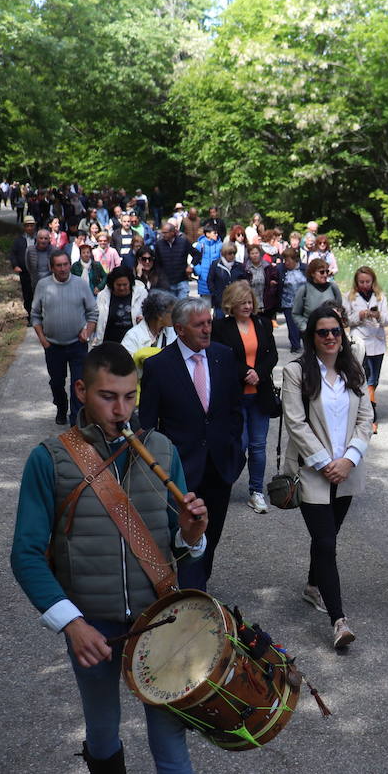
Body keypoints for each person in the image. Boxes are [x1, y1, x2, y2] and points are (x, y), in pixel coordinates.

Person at [7, 343, 223, 774]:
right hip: (94, 626)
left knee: (169, 745)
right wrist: (70, 623)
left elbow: (178, 549)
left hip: (158, 623)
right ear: (82, 391)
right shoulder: (48, 460)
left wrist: (191, 533)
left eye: (129, 398)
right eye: (108, 397)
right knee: (102, 730)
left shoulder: (162, 450)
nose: (120, 409)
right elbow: (26, 555)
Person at [280, 307, 374, 649]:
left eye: (336, 331)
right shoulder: (296, 372)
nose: (331, 337)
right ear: (312, 337)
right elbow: (295, 422)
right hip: (312, 471)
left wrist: (348, 460)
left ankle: (311, 584)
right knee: (326, 543)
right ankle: (339, 620)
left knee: (328, 535)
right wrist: (325, 463)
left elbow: (366, 418)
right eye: (323, 332)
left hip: (347, 470)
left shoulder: (354, 370)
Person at [138, 298, 245, 590]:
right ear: (180, 329)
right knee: (185, 535)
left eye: (209, 322)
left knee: (211, 536)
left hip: (221, 466)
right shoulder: (159, 366)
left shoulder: (223, 356)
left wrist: (237, 452)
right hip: (180, 471)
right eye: (200, 325)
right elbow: (147, 425)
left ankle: (197, 588)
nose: (208, 329)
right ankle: (189, 594)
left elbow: (235, 411)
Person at [213, 281, 279, 515]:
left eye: (250, 301)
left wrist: (258, 373)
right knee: (237, 445)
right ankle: (224, 484)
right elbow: (221, 356)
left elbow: (272, 355)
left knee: (258, 446)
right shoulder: (221, 327)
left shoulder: (261, 324)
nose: (248, 306)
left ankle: (256, 492)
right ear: (232, 304)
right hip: (235, 396)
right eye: (243, 302)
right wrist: (244, 373)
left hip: (259, 395)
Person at [32, 251, 97, 426]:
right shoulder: (43, 285)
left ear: (70, 264)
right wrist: (43, 340)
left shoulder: (81, 284)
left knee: (79, 382)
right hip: (53, 345)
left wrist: (87, 332)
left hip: (77, 344)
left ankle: (76, 419)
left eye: (65, 264)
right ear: (52, 267)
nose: (63, 269)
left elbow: (93, 312)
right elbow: (35, 315)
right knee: (57, 382)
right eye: (58, 265)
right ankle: (61, 406)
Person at [343, 266, 388, 434]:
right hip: (360, 342)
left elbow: (387, 320)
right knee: (364, 380)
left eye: (368, 282)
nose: (364, 285)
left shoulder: (380, 297)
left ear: (373, 281)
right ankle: (370, 417)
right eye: (361, 282)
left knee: (374, 380)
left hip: (377, 342)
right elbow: (345, 321)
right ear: (356, 281)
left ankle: (364, 409)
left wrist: (378, 316)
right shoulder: (349, 297)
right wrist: (360, 315)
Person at [92, 267, 146, 348]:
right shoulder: (102, 296)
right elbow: (95, 317)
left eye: (125, 285)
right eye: (118, 285)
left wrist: (144, 318)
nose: (122, 288)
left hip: (133, 345)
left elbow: (149, 315)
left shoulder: (141, 294)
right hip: (108, 344)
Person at [154, 222, 200, 302]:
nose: (163, 235)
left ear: (172, 232)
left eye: (165, 233)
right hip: (166, 282)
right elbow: (157, 263)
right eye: (162, 233)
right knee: (170, 308)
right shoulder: (159, 244)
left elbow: (197, 254)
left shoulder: (183, 242)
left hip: (181, 279)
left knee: (182, 306)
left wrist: (191, 266)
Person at [10, 215, 39, 325]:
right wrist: (15, 266)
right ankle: (30, 315)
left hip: (38, 272)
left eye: (32, 226)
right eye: (28, 226)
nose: (30, 228)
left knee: (38, 293)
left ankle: (39, 316)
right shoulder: (19, 241)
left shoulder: (39, 239)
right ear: (24, 227)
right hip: (25, 272)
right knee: (27, 294)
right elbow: (13, 254)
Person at [205, 242, 246, 317]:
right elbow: (210, 281)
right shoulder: (216, 265)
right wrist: (215, 294)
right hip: (220, 301)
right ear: (224, 254)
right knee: (220, 322)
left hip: (235, 301)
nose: (232, 255)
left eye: (234, 253)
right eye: (230, 253)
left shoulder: (239, 266)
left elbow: (243, 282)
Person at [277, 248, 306, 353]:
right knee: (292, 325)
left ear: (295, 260)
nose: (286, 263)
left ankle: (306, 344)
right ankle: (295, 345)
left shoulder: (304, 269)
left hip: (303, 303)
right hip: (287, 303)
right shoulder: (281, 270)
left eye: (288, 260)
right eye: (284, 260)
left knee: (303, 325)